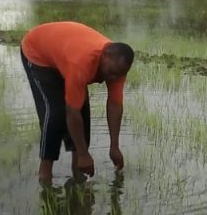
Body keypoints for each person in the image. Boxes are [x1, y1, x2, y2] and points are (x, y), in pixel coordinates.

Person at [20, 20, 133, 183]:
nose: (112, 78)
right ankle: (45, 175)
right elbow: (71, 111)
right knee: (55, 115)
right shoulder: (81, 63)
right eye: (111, 72)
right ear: (105, 54)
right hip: (38, 53)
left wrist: (114, 146)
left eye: (118, 75)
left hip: (65, 52)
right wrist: (83, 153)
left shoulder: (117, 68)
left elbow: (115, 105)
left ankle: (78, 171)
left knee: (83, 113)